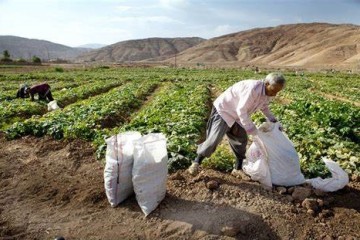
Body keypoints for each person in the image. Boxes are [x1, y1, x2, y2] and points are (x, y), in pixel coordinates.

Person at [188, 72, 286, 179]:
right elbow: (241, 110)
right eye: (273, 90)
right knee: (214, 139)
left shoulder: (267, 93)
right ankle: (196, 162)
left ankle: (237, 169)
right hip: (225, 110)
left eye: (277, 92)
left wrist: (273, 121)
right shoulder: (253, 89)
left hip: (238, 116)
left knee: (241, 140)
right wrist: (250, 128)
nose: (274, 94)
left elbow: (264, 107)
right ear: (266, 83)